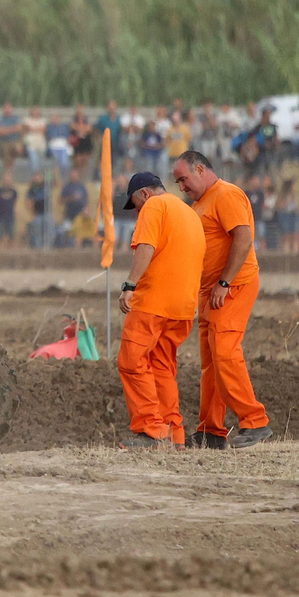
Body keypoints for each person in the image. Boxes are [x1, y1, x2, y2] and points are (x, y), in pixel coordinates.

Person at [171, 151, 272, 449]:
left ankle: (255, 421)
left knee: (225, 352)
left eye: (184, 179)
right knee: (211, 364)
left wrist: (224, 282)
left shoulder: (226, 194)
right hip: (209, 291)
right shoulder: (201, 203)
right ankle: (211, 431)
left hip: (233, 286)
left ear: (200, 169)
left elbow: (243, 238)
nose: (181, 188)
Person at [116, 171, 203, 449]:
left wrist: (130, 284)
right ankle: (174, 433)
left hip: (154, 301)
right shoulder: (189, 213)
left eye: (136, 205)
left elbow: (146, 246)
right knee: (162, 367)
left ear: (144, 194)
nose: (138, 211)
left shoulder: (154, 205)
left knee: (131, 361)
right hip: (183, 306)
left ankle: (152, 430)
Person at [0, 103, 23, 174]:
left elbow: (19, 129)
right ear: (3, 110)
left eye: (9, 108)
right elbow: (0, 132)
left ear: (12, 109)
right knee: (6, 150)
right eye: (6, 108)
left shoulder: (16, 118)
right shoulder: (0, 120)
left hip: (15, 140)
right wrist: (13, 128)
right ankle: (8, 172)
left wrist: (6, 130)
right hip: (4, 141)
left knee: (17, 148)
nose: (7, 110)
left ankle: (9, 171)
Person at [0, 174, 18, 247]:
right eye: (6, 179)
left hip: (10, 215)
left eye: (9, 179)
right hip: (1, 215)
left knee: (11, 236)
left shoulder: (14, 191)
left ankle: (11, 252)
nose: (7, 181)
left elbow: (15, 203)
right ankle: (0, 251)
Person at [21, 106, 46, 175]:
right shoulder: (26, 120)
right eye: (34, 111)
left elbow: (43, 130)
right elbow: (26, 129)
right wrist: (37, 129)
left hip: (41, 144)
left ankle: (40, 177)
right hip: (31, 144)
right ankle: (35, 177)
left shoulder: (42, 120)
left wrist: (32, 129)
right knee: (34, 161)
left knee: (41, 162)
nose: (35, 112)